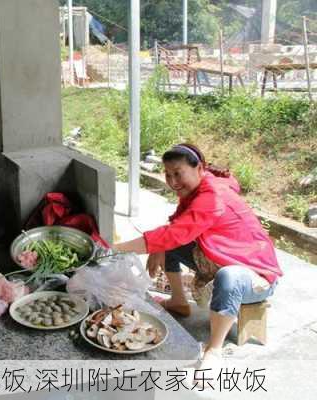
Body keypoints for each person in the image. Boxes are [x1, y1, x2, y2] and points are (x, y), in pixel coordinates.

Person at [113, 143, 282, 369]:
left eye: (178, 174)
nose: (173, 182)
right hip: (220, 257)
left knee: (229, 277)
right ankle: (179, 302)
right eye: (168, 174)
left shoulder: (213, 196)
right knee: (170, 243)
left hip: (255, 275)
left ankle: (214, 348)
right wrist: (157, 247)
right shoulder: (198, 187)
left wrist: (114, 248)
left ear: (199, 168)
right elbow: (177, 226)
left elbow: (176, 232)